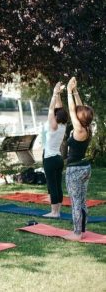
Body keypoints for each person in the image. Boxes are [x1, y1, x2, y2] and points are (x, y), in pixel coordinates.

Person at [64, 77, 94, 240]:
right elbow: (80, 109)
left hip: (75, 169)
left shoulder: (79, 130)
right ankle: (82, 230)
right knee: (82, 201)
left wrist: (69, 92)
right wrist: (75, 91)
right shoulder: (87, 127)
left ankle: (77, 233)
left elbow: (72, 110)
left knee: (76, 202)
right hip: (85, 168)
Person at [42, 82, 68, 217]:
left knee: (52, 185)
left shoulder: (54, 126)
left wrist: (54, 94)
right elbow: (59, 108)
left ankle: (54, 212)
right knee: (58, 185)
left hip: (50, 160)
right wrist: (58, 94)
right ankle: (58, 210)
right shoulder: (63, 126)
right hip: (58, 159)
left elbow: (52, 109)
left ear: (57, 117)